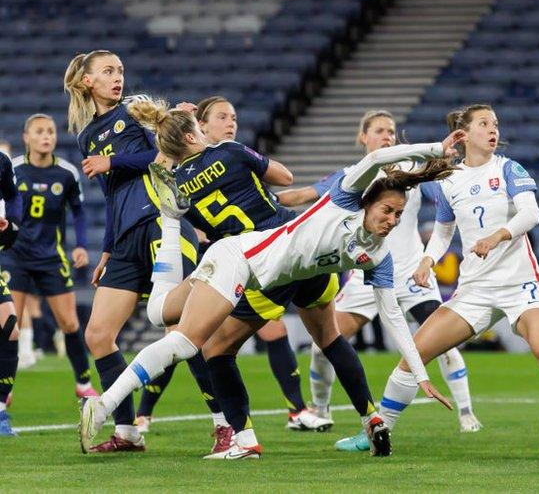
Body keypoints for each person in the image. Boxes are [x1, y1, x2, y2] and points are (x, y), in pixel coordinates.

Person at [80, 125, 463, 457]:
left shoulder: (379, 257)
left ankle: (244, 440)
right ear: (367, 202)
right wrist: (435, 150)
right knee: (187, 341)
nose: (392, 221)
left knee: (163, 316)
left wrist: (420, 374)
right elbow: (380, 157)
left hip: (263, 274)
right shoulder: (344, 198)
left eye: (398, 214)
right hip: (239, 257)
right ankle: (106, 405)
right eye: (387, 211)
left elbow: (394, 316)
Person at [334, 104, 539, 455]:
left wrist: (497, 237)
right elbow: (444, 229)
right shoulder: (451, 180)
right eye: (484, 123)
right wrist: (428, 260)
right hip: (474, 291)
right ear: (464, 134)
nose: (493, 130)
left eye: (495, 124)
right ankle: (376, 431)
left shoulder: (509, 168)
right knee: (414, 354)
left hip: (518, 286)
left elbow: (531, 213)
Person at [135, 96, 330, 437]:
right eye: (222, 117)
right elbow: (279, 182)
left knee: (202, 336)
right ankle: (154, 414)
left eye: (235, 117)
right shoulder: (229, 154)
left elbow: (169, 186)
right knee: (183, 336)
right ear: (201, 128)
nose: (231, 123)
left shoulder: (188, 172)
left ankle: (282, 413)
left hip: (238, 254)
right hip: (227, 257)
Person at [277, 110, 481, 434]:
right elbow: (303, 196)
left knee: (442, 342)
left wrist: (430, 257)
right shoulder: (352, 176)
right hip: (365, 273)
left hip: (413, 273)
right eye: (380, 130)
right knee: (322, 345)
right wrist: (259, 201)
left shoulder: (410, 175)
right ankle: (320, 409)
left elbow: (444, 202)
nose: (388, 135)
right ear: (363, 137)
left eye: (391, 131)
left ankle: (467, 414)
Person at [64, 50, 221, 453]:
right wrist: (105, 251)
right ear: (87, 82)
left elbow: (162, 155)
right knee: (98, 335)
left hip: (161, 222)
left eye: (120, 71)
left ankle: (226, 424)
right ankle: (128, 432)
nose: (118, 78)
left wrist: (111, 159)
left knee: (183, 330)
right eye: (108, 72)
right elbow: (113, 195)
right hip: (125, 238)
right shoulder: (86, 137)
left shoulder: (134, 110)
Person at [0, 114, 95, 398]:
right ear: (26, 137)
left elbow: (78, 211)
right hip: (15, 255)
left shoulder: (66, 173)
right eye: (40, 131)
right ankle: (5, 393)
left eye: (51, 131)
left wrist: (79, 245)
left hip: (51, 257)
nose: (47, 136)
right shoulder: (13, 168)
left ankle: (83, 383)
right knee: (8, 326)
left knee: (70, 323)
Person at [0, 146, 23, 436]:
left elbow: (12, 194)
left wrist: (12, 225)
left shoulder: (2, 161)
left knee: (9, 326)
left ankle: (1, 411)